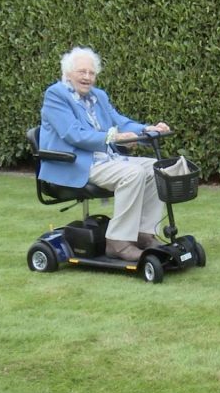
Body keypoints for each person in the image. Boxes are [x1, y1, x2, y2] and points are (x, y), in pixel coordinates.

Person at [39, 46, 171, 261]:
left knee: (156, 167)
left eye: (91, 73)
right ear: (68, 73)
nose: (87, 77)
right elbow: (74, 134)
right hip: (75, 163)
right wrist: (112, 138)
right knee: (133, 173)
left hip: (106, 159)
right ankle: (117, 243)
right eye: (82, 72)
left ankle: (144, 234)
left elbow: (121, 122)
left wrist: (149, 130)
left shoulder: (99, 96)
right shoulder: (56, 95)